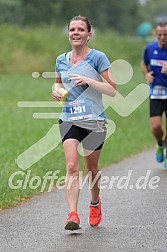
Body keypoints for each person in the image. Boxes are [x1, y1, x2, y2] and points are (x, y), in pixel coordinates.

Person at [52, 15, 116, 231]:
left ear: (89, 34)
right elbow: (58, 85)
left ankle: (95, 202)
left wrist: (90, 80)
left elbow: (112, 90)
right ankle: (73, 215)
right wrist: (56, 91)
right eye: (72, 29)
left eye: (80, 29)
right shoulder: (61, 59)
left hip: (95, 121)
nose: (76, 33)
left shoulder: (98, 57)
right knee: (71, 166)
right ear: (69, 33)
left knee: (91, 168)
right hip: (69, 118)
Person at [141, 23, 167, 169]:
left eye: (165, 34)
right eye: (160, 34)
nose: (163, 37)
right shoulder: (150, 49)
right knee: (156, 127)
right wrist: (146, 74)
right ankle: (159, 144)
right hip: (156, 93)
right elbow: (143, 63)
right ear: (156, 34)